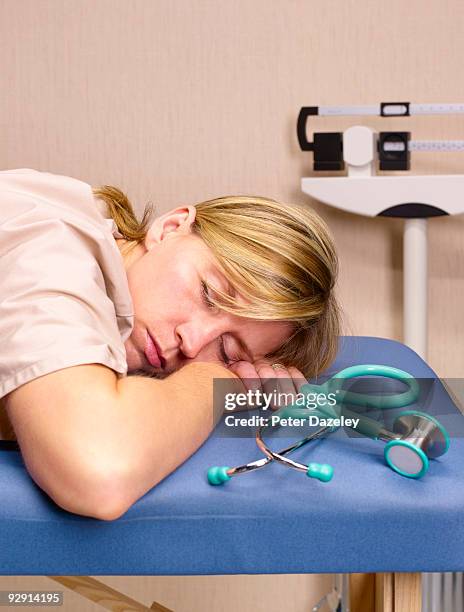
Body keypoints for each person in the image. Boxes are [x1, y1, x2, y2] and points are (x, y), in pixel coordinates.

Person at [0, 168, 340, 520]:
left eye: (227, 351)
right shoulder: (49, 247)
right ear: (171, 228)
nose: (191, 343)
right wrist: (215, 381)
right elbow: (98, 472)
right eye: (209, 295)